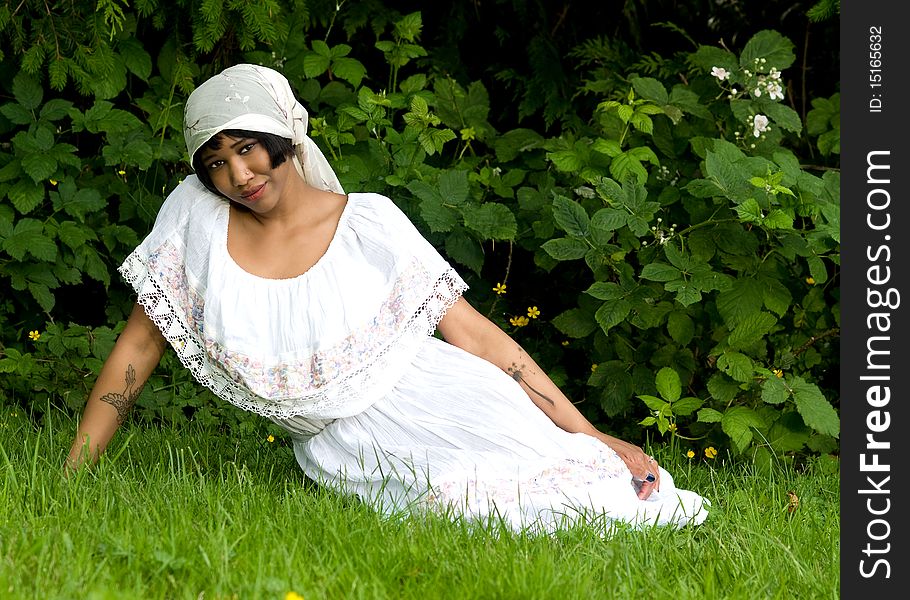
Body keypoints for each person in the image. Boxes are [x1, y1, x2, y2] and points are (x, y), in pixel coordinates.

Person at [66, 64, 708, 534]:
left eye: (246, 147)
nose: (237, 175)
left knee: (583, 492)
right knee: (470, 505)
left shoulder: (368, 224)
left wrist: (595, 435)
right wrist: (74, 473)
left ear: (282, 136)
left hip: (444, 396)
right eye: (214, 161)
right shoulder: (196, 223)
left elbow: (476, 337)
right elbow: (139, 343)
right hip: (341, 445)